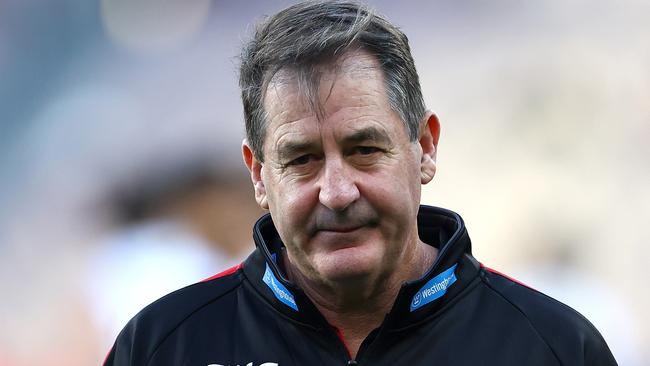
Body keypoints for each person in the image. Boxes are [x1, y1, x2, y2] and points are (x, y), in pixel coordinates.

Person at [104, 1, 617, 365]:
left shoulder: (554, 345)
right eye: (301, 159)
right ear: (259, 175)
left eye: (364, 150)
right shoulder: (162, 346)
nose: (337, 191)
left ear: (426, 147)